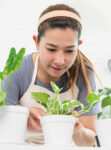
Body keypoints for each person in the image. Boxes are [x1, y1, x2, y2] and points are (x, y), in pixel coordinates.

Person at [3, 4, 103, 146]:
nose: (60, 61)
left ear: (78, 45)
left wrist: (77, 130)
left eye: (69, 51)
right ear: (36, 42)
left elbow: (88, 141)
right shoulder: (19, 70)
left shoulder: (84, 74)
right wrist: (21, 115)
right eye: (51, 49)